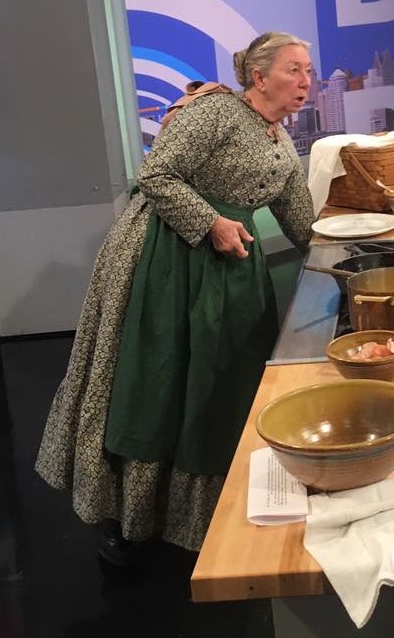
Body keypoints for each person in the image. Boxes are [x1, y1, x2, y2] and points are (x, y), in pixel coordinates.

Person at [36, 32, 316, 562]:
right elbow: (155, 175)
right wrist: (210, 222)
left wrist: (350, 246)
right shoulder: (213, 113)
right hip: (165, 259)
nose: (306, 82)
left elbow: (299, 219)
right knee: (155, 381)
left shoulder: (280, 140)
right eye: (293, 70)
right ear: (259, 77)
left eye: (309, 72)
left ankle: (207, 511)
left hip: (230, 267)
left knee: (219, 381)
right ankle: (126, 518)